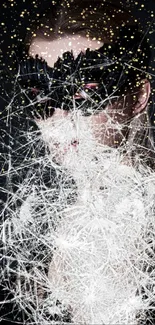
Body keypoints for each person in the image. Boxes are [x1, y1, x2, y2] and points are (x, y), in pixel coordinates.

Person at [1, 0, 155, 324]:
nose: (60, 119)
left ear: (138, 96)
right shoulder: (86, 209)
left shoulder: (123, 222)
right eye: (40, 94)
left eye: (86, 91)